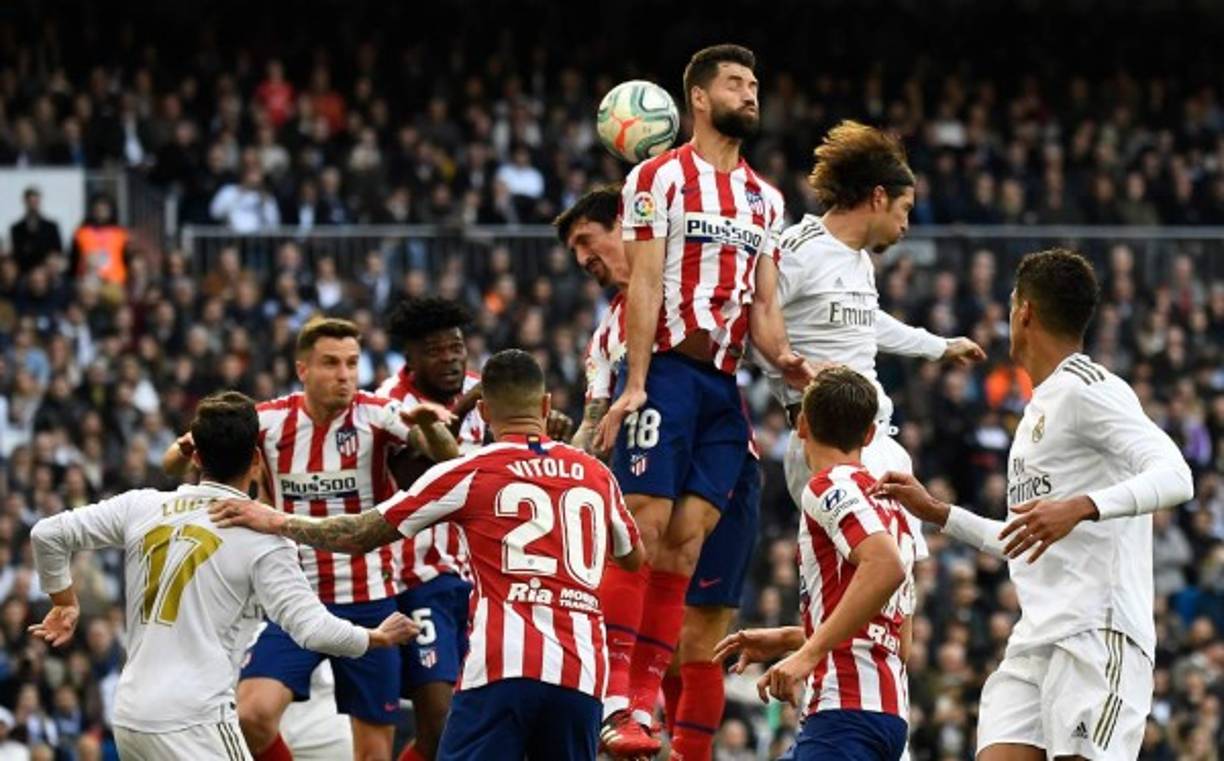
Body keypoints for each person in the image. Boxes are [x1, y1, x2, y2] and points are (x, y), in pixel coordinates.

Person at [210, 349, 645, 761]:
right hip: (582, 675)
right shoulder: (595, 476)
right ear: (546, 403)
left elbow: (361, 533)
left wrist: (275, 520)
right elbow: (632, 557)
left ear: (486, 413)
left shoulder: (472, 470)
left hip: (501, 670)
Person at [873, 249, 1195, 761]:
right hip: (1034, 641)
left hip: (1097, 635)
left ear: (1024, 311)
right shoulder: (1036, 409)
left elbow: (1178, 475)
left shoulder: (1092, 389)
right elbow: (1025, 538)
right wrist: (938, 513)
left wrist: (1082, 507)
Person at [591, 43, 813, 756]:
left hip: (723, 387)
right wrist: (633, 383)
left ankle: (645, 701)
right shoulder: (657, 178)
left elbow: (765, 309)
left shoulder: (766, 198)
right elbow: (646, 284)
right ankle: (618, 696)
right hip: (670, 374)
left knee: (685, 546)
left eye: (754, 83)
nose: (751, 93)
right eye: (735, 83)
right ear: (697, 97)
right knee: (645, 530)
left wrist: (788, 361)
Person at [28, 391, 417, 761]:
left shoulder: (141, 506)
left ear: (196, 457)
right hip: (195, 720)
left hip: (131, 717)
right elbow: (312, 630)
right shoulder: (263, 539)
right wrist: (374, 637)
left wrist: (64, 601)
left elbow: (47, 534)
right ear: (256, 462)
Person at [163, 317, 458, 761]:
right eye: (331, 363)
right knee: (251, 717)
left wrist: (429, 426)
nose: (344, 375)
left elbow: (445, 458)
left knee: (374, 754)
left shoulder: (377, 414)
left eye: (352, 363)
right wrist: (187, 447)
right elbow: (171, 463)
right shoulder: (269, 420)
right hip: (292, 599)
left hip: (370, 603)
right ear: (303, 369)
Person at [556, 186, 760, 761]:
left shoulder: (699, 276)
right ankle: (621, 706)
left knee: (704, 625)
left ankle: (661, 729)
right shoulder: (607, 337)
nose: (583, 261)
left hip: (734, 454)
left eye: (585, 241)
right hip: (656, 427)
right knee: (643, 544)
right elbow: (595, 422)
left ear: (624, 223)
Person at [763, 119, 985, 508]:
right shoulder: (798, 249)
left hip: (872, 434)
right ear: (879, 197)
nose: (906, 225)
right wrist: (788, 367)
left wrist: (940, 346)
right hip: (826, 438)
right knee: (874, 564)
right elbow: (752, 321)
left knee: (900, 563)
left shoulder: (859, 261)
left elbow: (869, 321)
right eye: (905, 209)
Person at [714, 367, 916, 761]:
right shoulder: (894, 509)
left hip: (844, 711)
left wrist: (806, 655)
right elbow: (897, 639)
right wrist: (792, 638)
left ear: (802, 424)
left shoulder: (828, 486)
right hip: (889, 715)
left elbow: (885, 566)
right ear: (870, 435)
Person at [376, 297, 483, 761]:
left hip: (481, 581)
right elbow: (423, 469)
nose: (451, 358)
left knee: (474, 725)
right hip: (417, 582)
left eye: (456, 347)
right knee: (439, 726)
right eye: (436, 351)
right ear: (411, 358)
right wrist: (472, 404)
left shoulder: (485, 391)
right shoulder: (390, 404)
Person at [8, 186, 63, 275]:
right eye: (30, 202)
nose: (33, 205)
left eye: (35, 202)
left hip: (47, 273)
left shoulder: (51, 227)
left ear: (40, 202)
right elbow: (17, 254)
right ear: (25, 202)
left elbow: (58, 252)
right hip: (25, 273)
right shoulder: (16, 229)